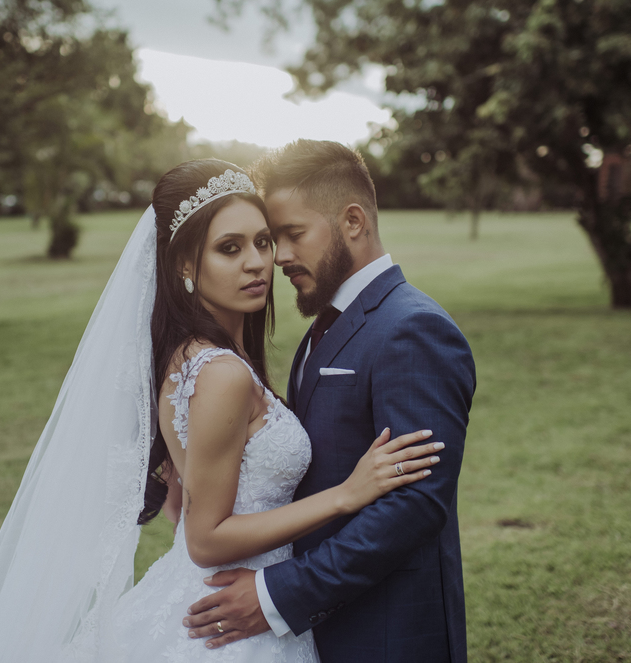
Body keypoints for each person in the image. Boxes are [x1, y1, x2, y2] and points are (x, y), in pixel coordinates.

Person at [0, 159, 442, 663]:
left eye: (262, 241)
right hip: (228, 623)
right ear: (184, 265)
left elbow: (191, 495)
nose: (258, 262)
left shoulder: (188, 355)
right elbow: (206, 539)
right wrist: (346, 496)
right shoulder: (220, 373)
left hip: (213, 599)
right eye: (230, 248)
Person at [181, 141, 476, 663]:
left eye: (292, 235)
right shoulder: (321, 328)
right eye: (276, 239)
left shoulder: (414, 329)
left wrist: (279, 593)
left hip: (388, 629)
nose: (279, 258)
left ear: (354, 221)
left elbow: (416, 504)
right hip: (321, 629)